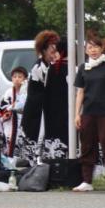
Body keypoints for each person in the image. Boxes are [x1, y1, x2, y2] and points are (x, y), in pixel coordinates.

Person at [71, 33, 105, 193]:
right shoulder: (83, 67)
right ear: (86, 50)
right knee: (87, 144)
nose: (93, 50)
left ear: (102, 49)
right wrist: (77, 114)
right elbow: (80, 92)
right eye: (90, 47)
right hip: (88, 111)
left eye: (96, 47)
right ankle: (87, 181)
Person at [21, 30, 70, 164]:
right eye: (51, 51)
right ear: (43, 50)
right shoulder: (40, 67)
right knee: (37, 140)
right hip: (37, 111)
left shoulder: (51, 66)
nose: (54, 54)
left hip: (47, 109)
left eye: (56, 51)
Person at [0, 67, 29, 158]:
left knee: (21, 142)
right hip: (10, 123)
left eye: (20, 77)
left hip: (22, 122)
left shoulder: (27, 92)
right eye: (14, 77)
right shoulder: (9, 92)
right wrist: (10, 108)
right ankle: (9, 162)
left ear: (25, 79)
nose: (17, 79)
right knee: (9, 142)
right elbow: (2, 107)